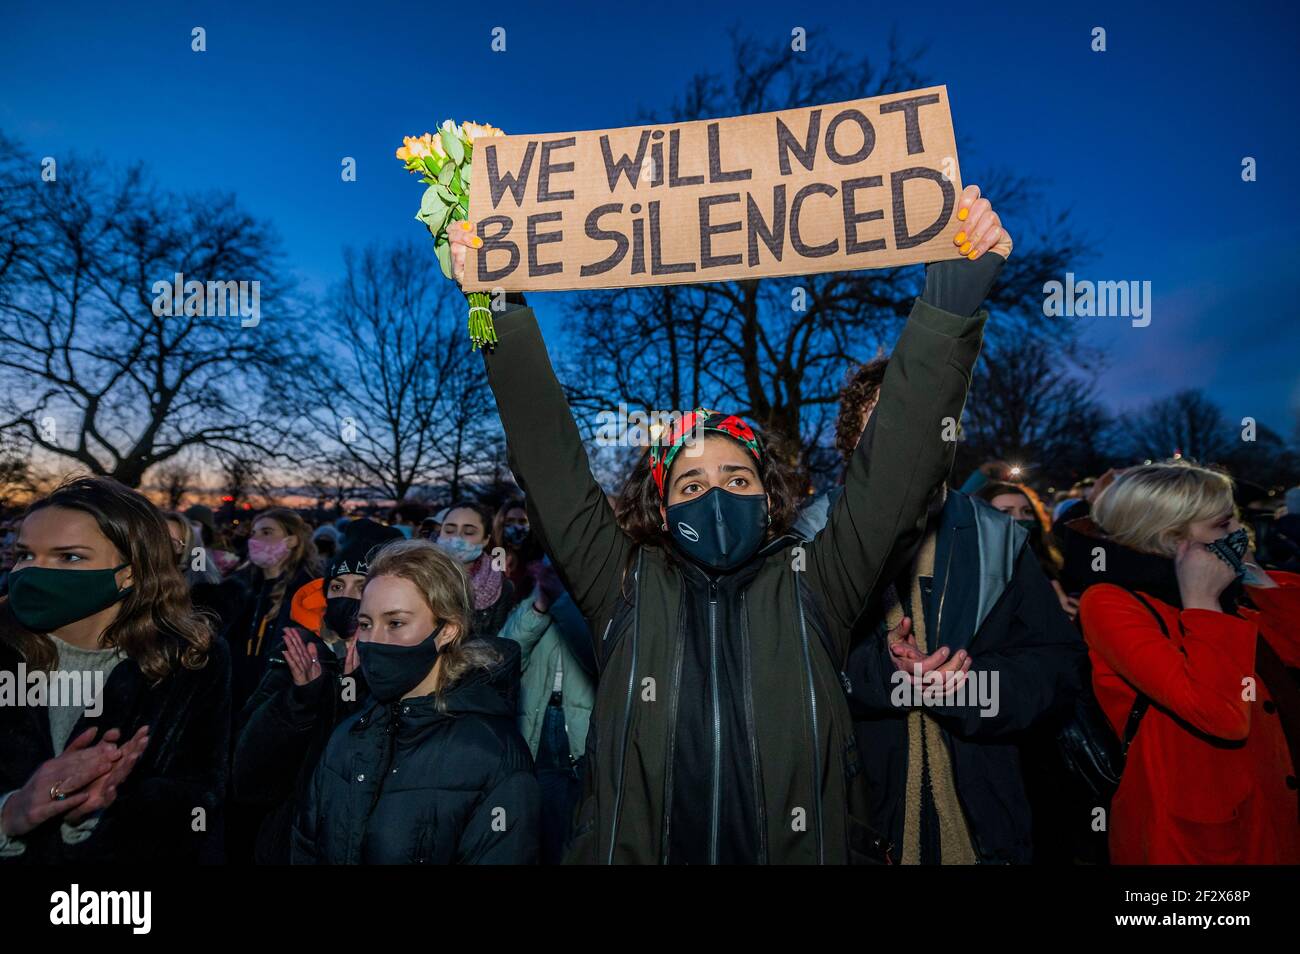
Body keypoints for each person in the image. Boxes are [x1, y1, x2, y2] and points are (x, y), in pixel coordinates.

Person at [445, 184, 1008, 864]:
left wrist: (951, 299)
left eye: (736, 479)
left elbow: (897, 472)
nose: (715, 493)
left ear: (765, 498)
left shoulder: (817, 583)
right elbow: (548, 457)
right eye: (691, 482)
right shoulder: (622, 585)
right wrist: (498, 303)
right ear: (663, 507)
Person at [796, 360, 1085, 864]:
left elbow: (1057, 669)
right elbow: (790, 671)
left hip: (987, 828)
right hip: (853, 826)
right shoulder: (808, 536)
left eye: (923, 419)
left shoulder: (999, 539)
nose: (907, 437)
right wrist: (885, 674)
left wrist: (966, 686)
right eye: (885, 422)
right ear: (851, 443)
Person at [1076, 461, 1300, 864]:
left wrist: (1256, 579)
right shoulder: (1112, 602)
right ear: (1169, 538)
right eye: (1222, 524)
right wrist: (1202, 604)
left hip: (1273, 814)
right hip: (1196, 841)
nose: (1238, 533)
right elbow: (1220, 715)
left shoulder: (1229, 588)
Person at [0, 477, 229, 864]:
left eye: (69, 557)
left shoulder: (190, 659)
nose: (34, 572)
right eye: (25, 554)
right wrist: (10, 813)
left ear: (130, 573)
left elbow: (199, 797)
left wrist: (98, 809)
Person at [291, 539, 539, 864]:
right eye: (365, 624)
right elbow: (306, 848)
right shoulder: (348, 736)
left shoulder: (493, 756)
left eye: (395, 623)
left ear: (448, 629)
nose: (374, 639)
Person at [232, 521, 403, 863]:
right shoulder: (300, 655)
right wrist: (301, 700)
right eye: (337, 585)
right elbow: (246, 774)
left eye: (362, 584)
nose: (347, 596)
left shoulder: (406, 668)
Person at [499, 558, 595, 864]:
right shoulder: (531, 605)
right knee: (545, 829)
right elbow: (505, 657)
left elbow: (597, 656)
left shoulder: (600, 605)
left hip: (582, 730)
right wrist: (541, 604)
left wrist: (562, 604)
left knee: (581, 827)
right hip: (538, 728)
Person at [222, 508, 321, 714]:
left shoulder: (307, 593)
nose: (256, 539)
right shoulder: (241, 588)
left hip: (275, 704)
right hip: (236, 699)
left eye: (267, 532)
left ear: (292, 540)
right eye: (254, 533)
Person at [973, 481, 1077, 622]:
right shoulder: (974, 573)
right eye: (1005, 512)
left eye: (1027, 511)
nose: (1020, 518)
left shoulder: (1052, 565)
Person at [436, 501, 514, 638]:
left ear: (485, 540)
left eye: (469, 532)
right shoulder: (415, 575)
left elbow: (497, 642)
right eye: (449, 530)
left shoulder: (501, 587)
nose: (457, 538)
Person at [494, 495, 544, 608]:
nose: (516, 526)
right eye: (510, 521)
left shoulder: (540, 557)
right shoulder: (493, 555)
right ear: (501, 524)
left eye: (522, 521)